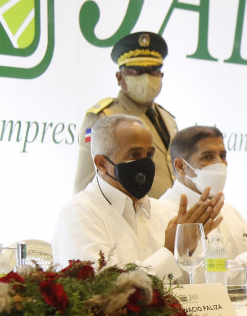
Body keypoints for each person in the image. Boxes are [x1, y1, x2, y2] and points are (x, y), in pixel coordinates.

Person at [54, 115, 222, 282]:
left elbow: (187, 288)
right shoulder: (79, 213)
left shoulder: (162, 212)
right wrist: (169, 251)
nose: (145, 164)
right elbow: (104, 289)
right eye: (134, 155)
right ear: (101, 164)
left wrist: (188, 252)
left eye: (149, 154)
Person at [159, 125, 247, 284]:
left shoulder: (232, 213)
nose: (220, 164)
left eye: (222, 156)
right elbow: (200, 284)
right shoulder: (162, 214)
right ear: (180, 166)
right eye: (207, 157)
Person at [73, 31, 179, 198]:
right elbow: (84, 187)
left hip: (167, 212)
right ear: (119, 77)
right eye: (137, 71)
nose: (147, 78)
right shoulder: (103, 118)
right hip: (126, 213)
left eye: (153, 70)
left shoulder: (168, 119)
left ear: (161, 75)